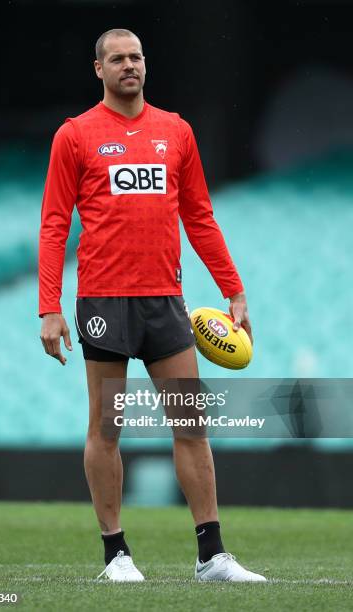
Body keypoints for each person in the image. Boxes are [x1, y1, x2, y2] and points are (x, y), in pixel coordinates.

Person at [39, 28, 266, 583]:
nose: (129, 65)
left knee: (191, 426)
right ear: (99, 69)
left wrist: (233, 289)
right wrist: (49, 306)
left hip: (166, 302)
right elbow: (53, 224)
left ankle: (212, 556)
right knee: (107, 429)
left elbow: (201, 217)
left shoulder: (176, 132)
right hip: (104, 302)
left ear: (146, 63)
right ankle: (116, 555)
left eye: (136, 56)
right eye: (116, 58)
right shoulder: (75, 136)